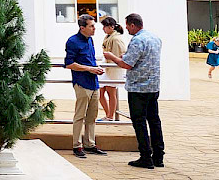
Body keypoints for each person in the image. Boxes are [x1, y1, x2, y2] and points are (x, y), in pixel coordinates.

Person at [104, 13, 165, 169]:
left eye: (127, 25)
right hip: (153, 86)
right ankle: (158, 156)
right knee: (154, 120)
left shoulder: (137, 40)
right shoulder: (155, 38)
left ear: (132, 25)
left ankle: (145, 156)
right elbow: (142, 59)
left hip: (138, 87)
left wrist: (113, 57)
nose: (126, 28)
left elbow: (126, 65)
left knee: (139, 122)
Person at [64, 14, 107, 158]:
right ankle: (77, 145)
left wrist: (95, 68)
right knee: (80, 115)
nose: (95, 28)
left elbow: (90, 60)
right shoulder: (72, 41)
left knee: (92, 116)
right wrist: (89, 69)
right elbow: (69, 64)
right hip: (82, 83)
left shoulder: (90, 40)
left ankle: (90, 144)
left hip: (94, 83)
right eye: (91, 26)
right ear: (82, 28)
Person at [99, 16, 127, 121]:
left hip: (113, 68)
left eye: (105, 26)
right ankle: (108, 114)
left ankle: (110, 116)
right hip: (106, 66)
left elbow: (123, 53)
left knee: (111, 92)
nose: (103, 29)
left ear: (111, 27)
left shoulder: (116, 38)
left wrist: (113, 58)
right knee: (101, 92)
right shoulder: (108, 37)